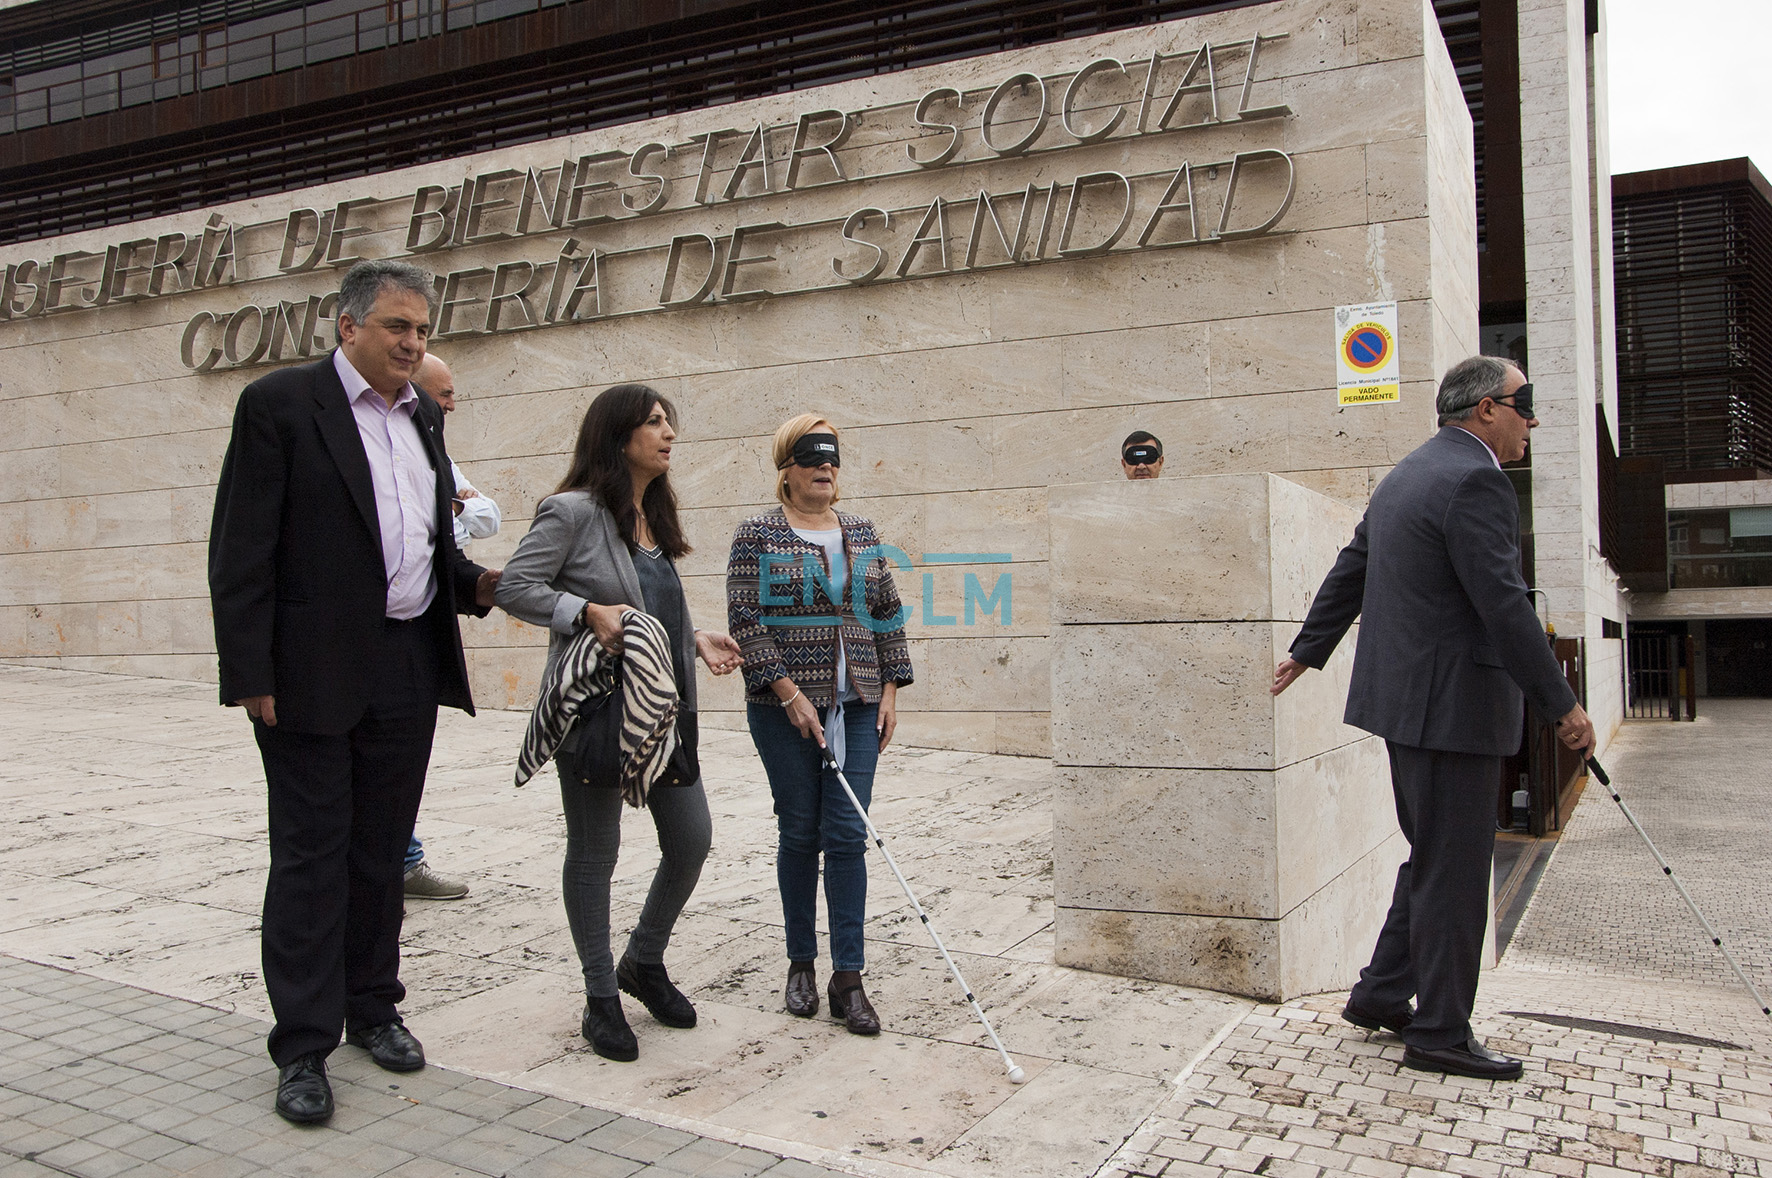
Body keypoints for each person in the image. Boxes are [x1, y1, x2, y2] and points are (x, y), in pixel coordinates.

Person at [208, 259, 499, 1124]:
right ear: (348, 326)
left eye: (422, 330)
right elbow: (241, 548)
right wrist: (250, 673)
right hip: (308, 673)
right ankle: (303, 1044)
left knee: (379, 854)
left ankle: (373, 1007)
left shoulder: (423, 419)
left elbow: (426, 546)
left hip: (406, 664)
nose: (413, 343)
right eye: (397, 327)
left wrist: (484, 585)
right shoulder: (280, 406)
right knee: (311, 857)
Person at [1271, 355, 1594, 1081]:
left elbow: (1352, 564)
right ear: (1486, 409)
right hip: (1454, 712)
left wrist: (1309, 648)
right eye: (1524, 404)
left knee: (1435, 857)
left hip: (1409, 707)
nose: (1533, 420)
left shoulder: (1409, 472)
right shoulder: (1478, 479)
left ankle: (1382, 994)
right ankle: (1441, 1033)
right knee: (1454, 873)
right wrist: (1563, 705)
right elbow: (1504, 604)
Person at [495, 384, 742, 1062]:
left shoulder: (652, 516)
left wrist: (694, 638)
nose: (668, 434)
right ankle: (601, 995)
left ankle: (644, 960)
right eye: (654, 423)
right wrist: (583, 611)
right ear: (617, 435)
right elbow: (515, 586)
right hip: (600, 714)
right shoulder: (572, 512)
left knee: (691, 840)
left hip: (665, 712)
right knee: (595, 852)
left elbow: (648, 608)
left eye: (669, 422)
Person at [726, 415, 914, 1035]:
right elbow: (746, 621)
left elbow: (886, 611)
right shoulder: (757, 534)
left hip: (858, 706)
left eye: (832, 458)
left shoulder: (861, 531)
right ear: (787, 468)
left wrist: (890, 691)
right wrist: (787, 693)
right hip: (783, 713)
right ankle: (801, 963)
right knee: (800, 832)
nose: (825, 467)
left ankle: (849, 978)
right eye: (812, 458)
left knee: (849, 834)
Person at [401, 352, 501, 902]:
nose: (452, 405)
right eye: (443, 395)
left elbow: (485, 519)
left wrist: (453, 510)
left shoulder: (435, 454)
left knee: (399, 765)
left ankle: (399, 862)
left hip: (423, 630)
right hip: (348, 646)